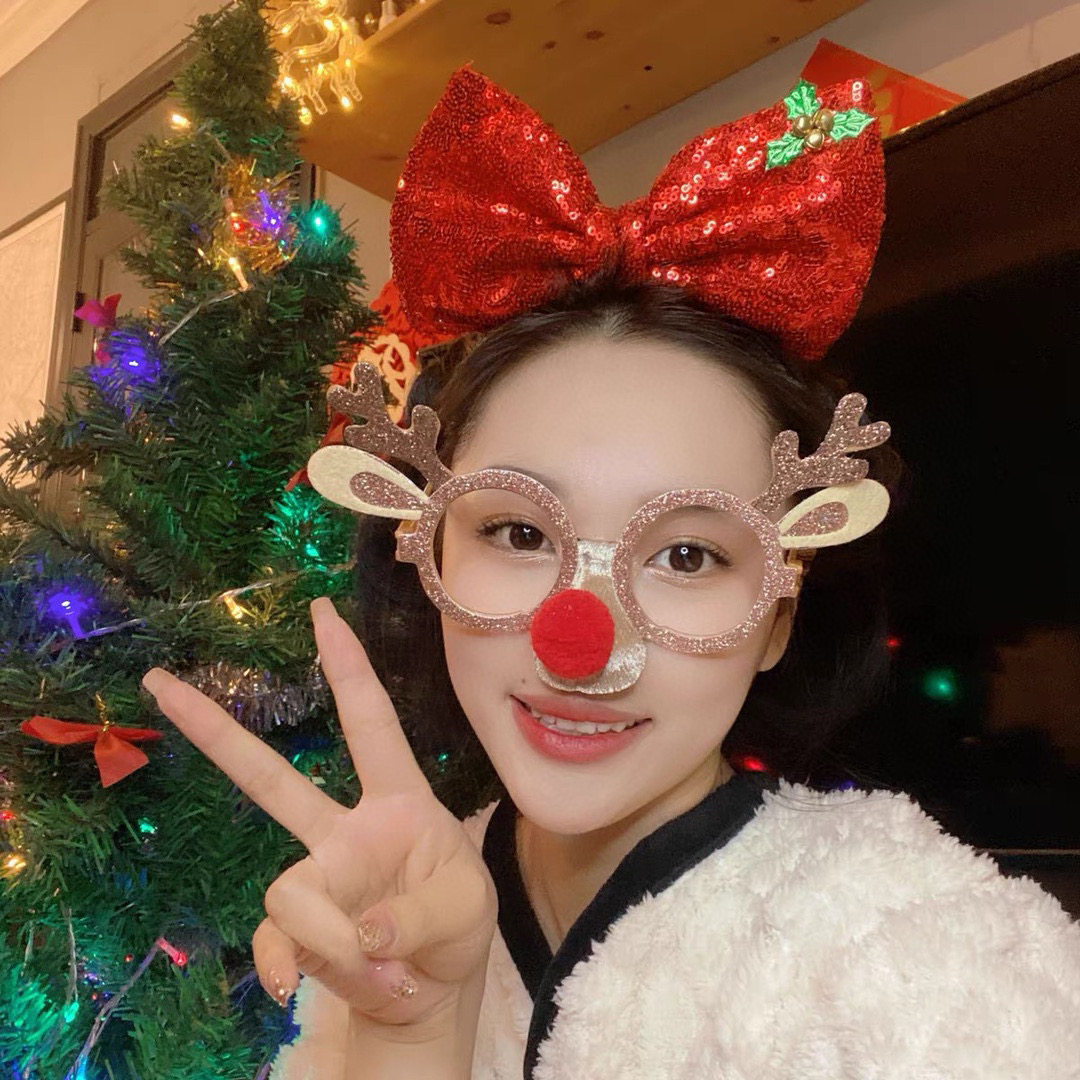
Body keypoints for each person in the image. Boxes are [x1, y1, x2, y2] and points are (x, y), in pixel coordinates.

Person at [141, 68, 1080, 1079]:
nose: (579, 641)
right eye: (517, 532)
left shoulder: (935, 967)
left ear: (779, 613)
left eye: (688, 554)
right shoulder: (385, 918)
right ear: (427, 545)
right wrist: (411, 1034)